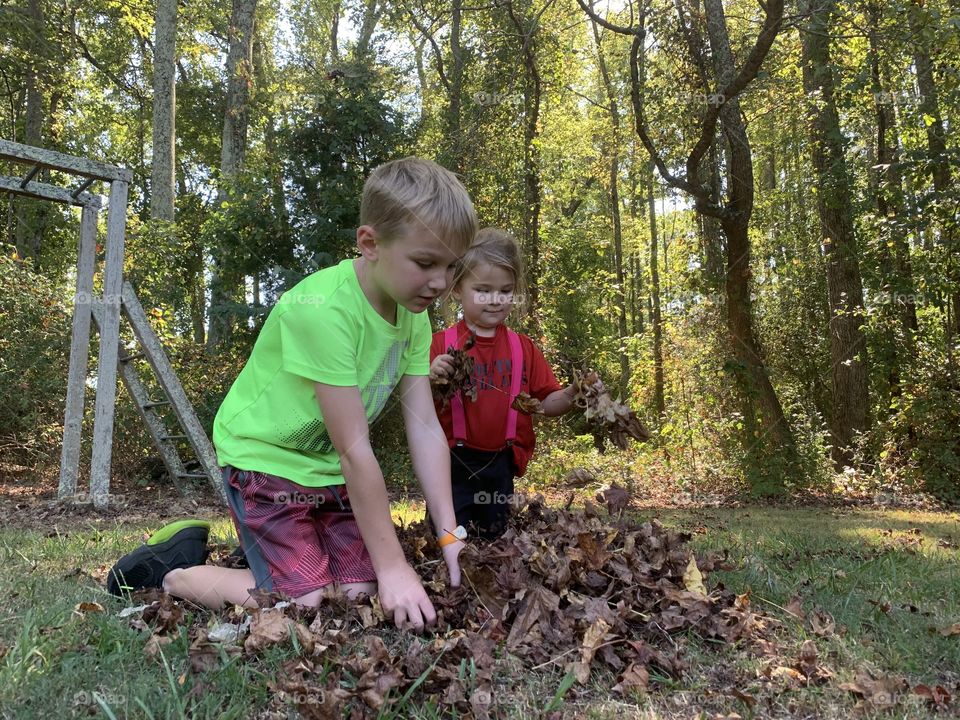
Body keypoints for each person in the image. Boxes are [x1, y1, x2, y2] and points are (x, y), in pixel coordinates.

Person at [107, 157, 476, 633]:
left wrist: (449, 533)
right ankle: (175, 571)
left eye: (450, 267)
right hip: (264, 460)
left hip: (325, 471)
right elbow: (353, 447)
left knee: (358, 595)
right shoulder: (324, 311)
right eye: (425, 263)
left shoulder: (414, 317)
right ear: (370, 244)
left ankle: (264, 555)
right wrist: (393, 566)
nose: (441, 283)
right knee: (307, 601)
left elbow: (425, 427)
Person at [428, 228, 575, 540]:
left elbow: (547, 404)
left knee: (495, 541)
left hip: (500, 464)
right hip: (451, 463)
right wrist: (433, 378)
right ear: (457, 289)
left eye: (505, 291)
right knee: (448, 538)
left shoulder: (523, 348)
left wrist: (575, 393)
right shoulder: (439, 344)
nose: (495, 300)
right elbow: (418, 409)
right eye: (483, 290)